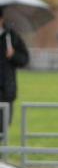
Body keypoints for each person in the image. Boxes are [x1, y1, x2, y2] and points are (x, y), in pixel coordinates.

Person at [0, 8, 30, 141]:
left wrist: (13, 55)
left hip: (6, 90)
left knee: (3, 127)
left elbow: (24, 59)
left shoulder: (12, 36)